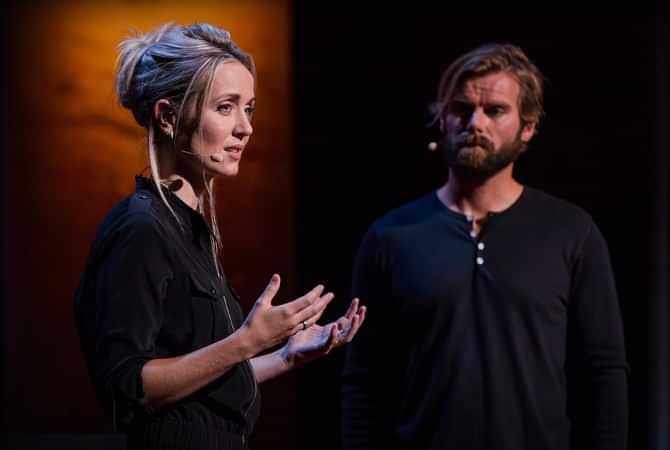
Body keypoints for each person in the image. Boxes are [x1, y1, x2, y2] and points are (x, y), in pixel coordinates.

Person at [73, 23, 366, 450]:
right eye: (226, 107)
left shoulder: (190, 229)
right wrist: (246, 341)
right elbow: (127, 387)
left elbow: (201, 388)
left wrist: (283, 356)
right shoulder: (141, 228)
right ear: (169, 116)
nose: (245, 127)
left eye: (249, 108)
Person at [341, 43, 627, 450]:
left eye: (495, 110)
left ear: (528, 127)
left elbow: (604, 372)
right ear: (442, 119)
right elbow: (364, 379)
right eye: (461, 109)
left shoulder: (571, 232)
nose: (476, 122)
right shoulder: (392, 236)